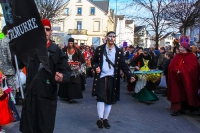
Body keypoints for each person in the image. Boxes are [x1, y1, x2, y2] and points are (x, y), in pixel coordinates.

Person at [19, 19, 71, 133]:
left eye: (47, 29)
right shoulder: (30, 49)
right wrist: (16, 49)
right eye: (41, 30)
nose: (45, 32)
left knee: (44, 129)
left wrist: (62, 77)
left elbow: (67, 72)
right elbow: (17, 64)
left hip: (47, 99)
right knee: (29, 129)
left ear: (51, 31)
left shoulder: (56, 51)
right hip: (30, 99)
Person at [91, 31, 135, 129]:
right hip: (101, 77)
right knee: (100, 97)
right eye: (110, 36)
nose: (112, 38)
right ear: (106, 37)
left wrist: (130, 75)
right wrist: (96, 67)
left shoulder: (118, 51)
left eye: (113, 36)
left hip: (112, 77)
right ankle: (100, 118)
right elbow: (93, 61)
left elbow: (123, 65)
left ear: (115, 38)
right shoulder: (99, 49)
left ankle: (105, 119)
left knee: (110, 99)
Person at [168, 42, 200, 116]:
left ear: (186, 48)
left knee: (189, 91)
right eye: (179, 47)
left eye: (181, 47)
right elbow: (171, 67)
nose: (179, 48)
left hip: (188, 79)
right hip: (177, 79)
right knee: (178, 93)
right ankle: (179, 109)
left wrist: (183, 71)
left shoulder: (192, 57)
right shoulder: (177, 56)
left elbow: (193, 68)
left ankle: (190, 107)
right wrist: (176, 71)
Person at [58, 38, 84, 103]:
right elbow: (61, 57)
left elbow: (81, 59)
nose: (70, 44)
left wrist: (78, 64)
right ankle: (66, 95)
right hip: (66, 68)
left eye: (71, 43)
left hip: (74, 69)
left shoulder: (77, 51)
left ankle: (72, 96)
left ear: (73, 43)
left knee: (73, 82)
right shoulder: (64, 50)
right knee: (66, 81)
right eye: (69, 43)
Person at [0, 26, 16, 97]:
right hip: (9, 70)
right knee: (11, 90)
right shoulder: (8, 41)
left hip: (0, 72)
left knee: (1, 91)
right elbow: (10, 57)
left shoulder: (0, 39)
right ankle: (10, 105)